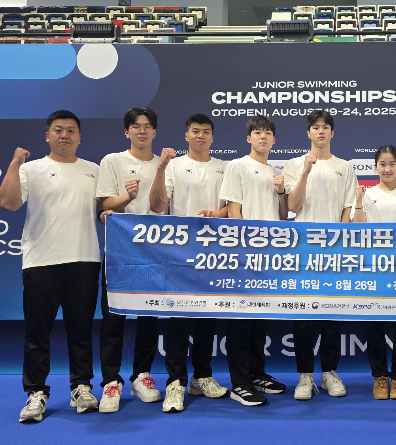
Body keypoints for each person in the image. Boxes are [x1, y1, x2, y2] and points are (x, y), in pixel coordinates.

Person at [0, 111, 103, 423]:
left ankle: (81, 387)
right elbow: (9, 203)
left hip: (84, 260)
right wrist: (14, 163)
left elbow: (105, 209)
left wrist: (110, 212)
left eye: (71, 130)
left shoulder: (94, 170)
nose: (64, 135)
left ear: (80, 137)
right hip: (41, 262)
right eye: (58, 130)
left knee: (81, 330)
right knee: (37, 332)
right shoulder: (30, 169)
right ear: (48, 136)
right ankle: (36, 393)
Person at [148, 113, 230, 413]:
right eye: (195, 131)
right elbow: (158, 205)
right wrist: (160, 168)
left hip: (215, 254)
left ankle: (202, 376)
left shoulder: (225, 167)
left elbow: (233, 207)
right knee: (180, 320)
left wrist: (218, 214)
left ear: (212, 137)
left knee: (207, 319)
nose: (201, 136)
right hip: (180, 255)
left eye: (206, 131)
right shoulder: (174, 165)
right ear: (186, 136)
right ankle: (175, 383)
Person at [283, 109, 357, 400]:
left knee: (331, 313)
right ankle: (305, 375)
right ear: (308, 133)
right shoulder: (293, 164)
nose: (321, 131)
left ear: (332, 133)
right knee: (302, 314)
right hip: (303, 249)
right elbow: (293, 206)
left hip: (334, 250)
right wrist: (305, 171)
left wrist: (339, 245)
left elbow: (348, 208)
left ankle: (329, 372)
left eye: (326, 127)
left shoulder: (345, 167)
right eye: (316, 127)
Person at [95, 107, 163, 413]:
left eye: (147, 126)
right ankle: (111, 381)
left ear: (155, 132)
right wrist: (127, 197)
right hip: (119, 251)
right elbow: (105, 204)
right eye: (136, 126)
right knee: (113, 318)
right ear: (127, 131)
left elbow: (164, 206)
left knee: (149, 316)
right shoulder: (112, 161)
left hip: (154, 252)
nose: (142, 130)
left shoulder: (165, 164)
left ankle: (142, 376)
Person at [218, 115, 289, 406]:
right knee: (240, 318)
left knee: (259, 318)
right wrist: (242, 250)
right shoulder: (237, 165)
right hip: (244, 254)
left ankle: (257, 373)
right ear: (249, 138)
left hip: (269, 256)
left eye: (268, 133)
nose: (263, 136)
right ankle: (240, 383)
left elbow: (283, 216)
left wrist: (281, 191)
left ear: (274, 140)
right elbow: (233, 210)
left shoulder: (276, 172)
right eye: (258, 132)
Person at [352, 145, 396, 400]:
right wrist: (358, 201)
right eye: (382, 164)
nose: (387, 169)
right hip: (373, 268)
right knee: (375, 325)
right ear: (375, 166)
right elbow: (358, 229)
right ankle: (380, 376)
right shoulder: (367, 194)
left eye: (392, 164)